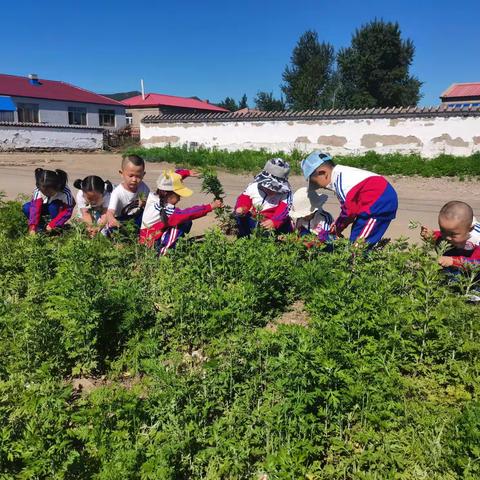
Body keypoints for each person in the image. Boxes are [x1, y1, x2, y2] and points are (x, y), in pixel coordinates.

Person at [301, 151, 398, 245]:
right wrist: (338, 224)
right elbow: (350, 209)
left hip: (378, 205)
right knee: (356, 236)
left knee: (359, 246)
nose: (318, 186)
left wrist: (338, 227)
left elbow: (348, 212)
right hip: (370, 205)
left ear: (323, 173)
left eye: (315, 182)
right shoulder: (340, 174)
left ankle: (356, 258)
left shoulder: (341, 182)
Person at [139, 170, 223, 255]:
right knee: (182, 223)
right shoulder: (168, 211)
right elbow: (189, 213)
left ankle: (171, 244)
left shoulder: (153, 197)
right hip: (151, 242)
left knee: (184, 222)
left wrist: (187, 173)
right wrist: (210, 206)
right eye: (178, 195)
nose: (179, 198)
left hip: (149, 236)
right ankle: (163, 253)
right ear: (166, 193)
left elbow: (170, 179)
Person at [235, 158, 293, 237]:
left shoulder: (286, 193)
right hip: (256, 219)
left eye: (275, 189)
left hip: (277, 224)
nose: (271, 191)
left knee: (281, 232)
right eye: (268, 187)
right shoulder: (253, 186)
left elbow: (285, 209)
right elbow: (244, 199)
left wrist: (275, 221)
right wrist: (242, 208)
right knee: (240, 218)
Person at [421, 201, 480, 268]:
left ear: (470, 229)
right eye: (443, 231)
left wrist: (454, 261)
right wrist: (432, 235)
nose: (447, 237)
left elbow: (477, 263)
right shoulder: (453, 233)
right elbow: (440, 236)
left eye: (453, 234)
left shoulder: (477, 240)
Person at [23, 168, 75, 235]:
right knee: (27, 207)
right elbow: (35, 208)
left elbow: (67, 211)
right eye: (43, 192)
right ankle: (40, 227)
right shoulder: (38, 189)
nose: (46, 194)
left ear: (57, 187)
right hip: (45, 206)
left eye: (49, 192)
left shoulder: (65, 193)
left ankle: (56, 230)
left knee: (53, 206)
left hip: (58, 210)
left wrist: (53, 224)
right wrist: (33, 226)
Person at [106, 155, 149, 230]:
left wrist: (144, 203)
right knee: (115, 229)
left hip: (136, 217)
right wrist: (111, 219)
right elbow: (110, 211)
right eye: (131, 176)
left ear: (143, 175)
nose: (134, 180)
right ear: (121, 173)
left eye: (138, 176)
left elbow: (147, 202)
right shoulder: (117, 193)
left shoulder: (143, 187)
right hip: (120, 219)